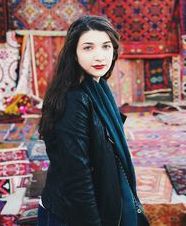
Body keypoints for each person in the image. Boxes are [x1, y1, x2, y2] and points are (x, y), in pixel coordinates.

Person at [38, 15, 149, 226]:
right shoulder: (74, 99)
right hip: (72, 215)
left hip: (95, 203)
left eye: (106, 46)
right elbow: (77, 177)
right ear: (74, 53)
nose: (99, 56)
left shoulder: (97, 89)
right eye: (88, 48)